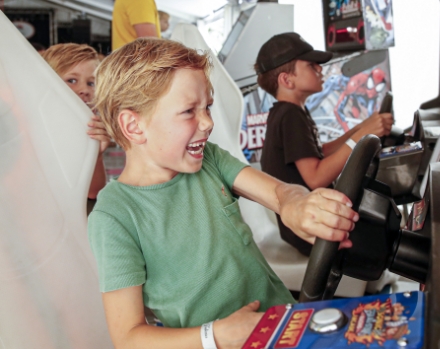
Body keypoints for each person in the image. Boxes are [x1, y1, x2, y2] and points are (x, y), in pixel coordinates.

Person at [88, 38, 358, 348]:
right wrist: (214, 336)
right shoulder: (115, 216)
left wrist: (296, 205)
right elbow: (128, 337)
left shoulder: (210, 160)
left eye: (208, 107)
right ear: (134, 126)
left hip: (285, 324)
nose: (208, 122)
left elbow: (280, 193)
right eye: (189, 111)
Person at [255, 32, 393, 256]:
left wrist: (362, 128)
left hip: (310, 222)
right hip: (312, 229)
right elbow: (316, 177)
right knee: (385, 232)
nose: (320, 70)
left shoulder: (289, 111)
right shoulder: (290, 116)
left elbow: (320, 152)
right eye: (311, 66)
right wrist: (360, 138)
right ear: (286, 80)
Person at [42, 43, 110, 199]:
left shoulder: (86, 132)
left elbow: (93, 193)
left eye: (91, 83)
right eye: (72, 80)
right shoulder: (30, 128)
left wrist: (96, 155)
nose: (84, 90)